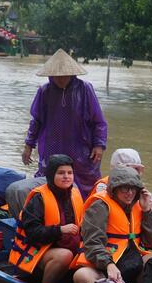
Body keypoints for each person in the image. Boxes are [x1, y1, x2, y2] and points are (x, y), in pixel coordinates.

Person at [22, 48, 107, 199]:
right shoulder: (44, 91)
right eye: (56, 76)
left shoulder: (85, 89)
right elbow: (36, 121)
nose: (60, 79)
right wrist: (28, 146)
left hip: (80, 148)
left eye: (64, 76)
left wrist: (99, 145)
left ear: (72, 74)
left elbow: (98, 121)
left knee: (84, 183)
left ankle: (82, 213)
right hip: (51, 147)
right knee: (50, 180)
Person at [71, 166, 152, 283]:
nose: (130, 193)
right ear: (114, 188)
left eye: (133, 188)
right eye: (125, 188)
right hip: (104, 265)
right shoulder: (99, 206)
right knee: (82, 276)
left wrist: (147, 211)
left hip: (134, 261)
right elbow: (92, 243)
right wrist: (108, 264)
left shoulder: (140, 204)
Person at [8, 154, 84, 283]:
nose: (66, 176)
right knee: (64, 255)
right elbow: (32, 233)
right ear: (51, 175)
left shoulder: (76, 195)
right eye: (61, 173)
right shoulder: (38, 198)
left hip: (66, 248)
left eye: (70, 173)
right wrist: (60, 230)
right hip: (37, 250)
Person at [91, 148, 152, 217]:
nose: (135, 173)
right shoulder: (102, 187)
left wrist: (147, 210)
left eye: (137, 170)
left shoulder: (141, 190)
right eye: (133, 169)